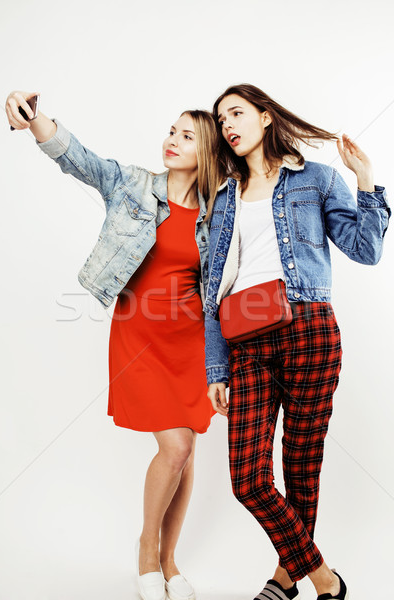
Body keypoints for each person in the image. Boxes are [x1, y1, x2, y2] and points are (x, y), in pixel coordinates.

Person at [5, 90, 221, 600]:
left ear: (207, 151)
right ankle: (147, 550)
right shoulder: (133, 185)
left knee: (186, 453)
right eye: (172, 130)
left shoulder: (220, 211)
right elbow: (78, 159)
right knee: (177, 446)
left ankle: (169, 562)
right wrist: (37, 120)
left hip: (192, 341)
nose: (172, 140)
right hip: (141, 334)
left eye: (186, 136)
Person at [204, 83, 390, 600]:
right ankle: (324, 578)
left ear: (265, 117)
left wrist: (367, 181)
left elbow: (366, 249)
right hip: (245, 341)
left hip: (309, 329)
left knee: (301, 466)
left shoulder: (316, 180)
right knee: (248, 479)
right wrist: (216, 366)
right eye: (221, 120)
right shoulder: (222, 197)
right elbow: (212, 288)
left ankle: (285, 579)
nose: (228, 126)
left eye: (236, 113)